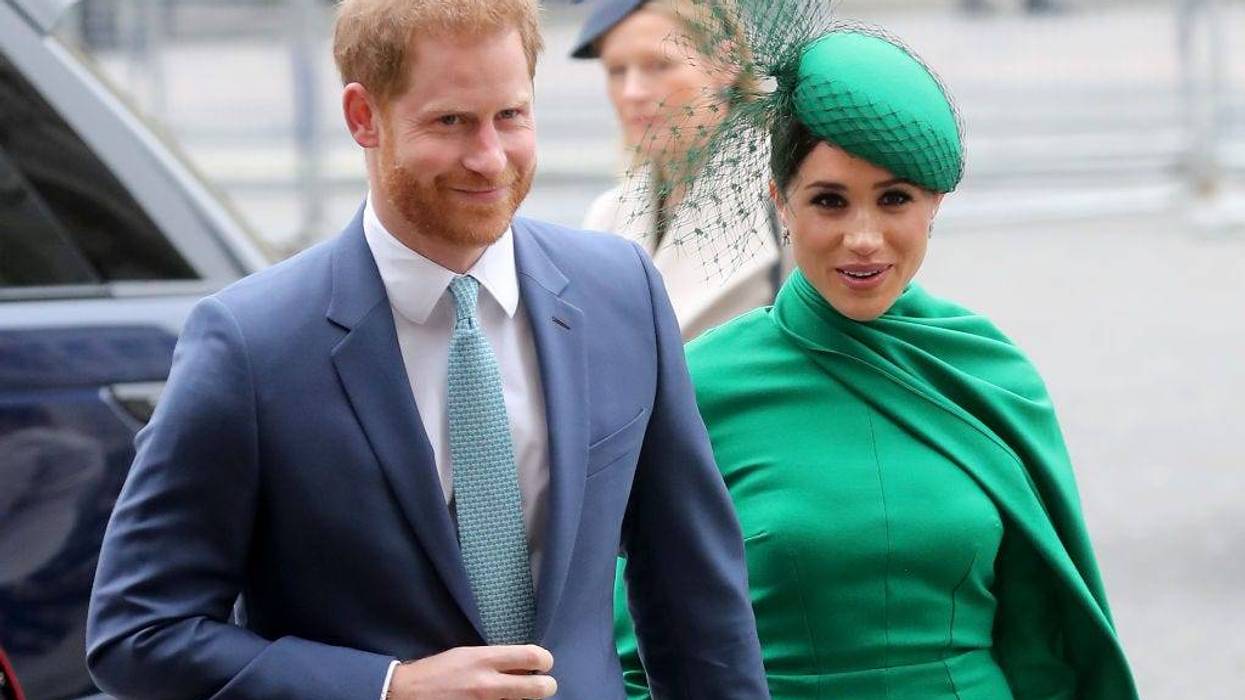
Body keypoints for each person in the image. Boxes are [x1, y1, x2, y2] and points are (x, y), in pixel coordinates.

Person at [84, 1, 769, 698]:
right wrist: (387, 687)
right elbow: (137, 634)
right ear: (363, 117)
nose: (489, 158)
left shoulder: (620, 292)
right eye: (451, 122)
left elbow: (695, 602)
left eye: (510, 116)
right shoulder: (250, 344)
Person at [612, 15, 1139, 700]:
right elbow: (638, 654)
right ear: (780, 204)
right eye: (829, 201)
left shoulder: (990, 372)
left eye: (893, 199)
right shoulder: (699, 387)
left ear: (934, 206)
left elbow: (1050, 638)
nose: (863, 238)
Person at [572, 0, 786, 340]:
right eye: (616, 71)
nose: (633, 92)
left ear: (726, 62)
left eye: (659, 65)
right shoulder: (607, 216)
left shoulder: (788, 197)